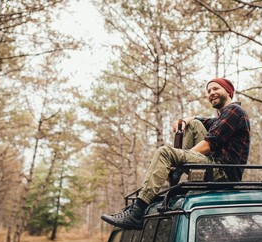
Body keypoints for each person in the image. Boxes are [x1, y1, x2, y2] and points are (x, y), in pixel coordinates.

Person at [101, 77, 250, 230]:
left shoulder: (234, 111)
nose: (211, 93)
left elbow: (208, 145)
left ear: (229, 92)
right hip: (215, 166)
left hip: (223, 172)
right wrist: (186, 120)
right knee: (194, 124)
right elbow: (202, 121)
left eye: (216, 89)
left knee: (165, 152)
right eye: (209, 90)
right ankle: (175, 176)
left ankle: (137, 211)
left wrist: (179, 160)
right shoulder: (223, 116)